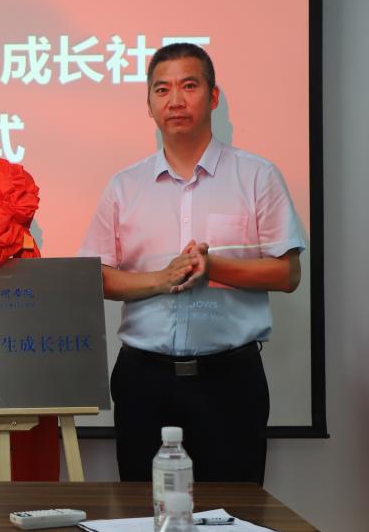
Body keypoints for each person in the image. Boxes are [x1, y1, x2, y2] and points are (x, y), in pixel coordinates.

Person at [78, 43, 305, 485]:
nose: (175, 101)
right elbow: (94, 278)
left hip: (230, 380)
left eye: (189, 86)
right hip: (144, 381)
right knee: (144, 512)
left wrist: (213, 267)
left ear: (213, 96)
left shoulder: (256, 176)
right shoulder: (125, 186)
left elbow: (287, 273)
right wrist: (161, 280)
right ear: (149, 104)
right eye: (162, 90)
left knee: (233, 514)